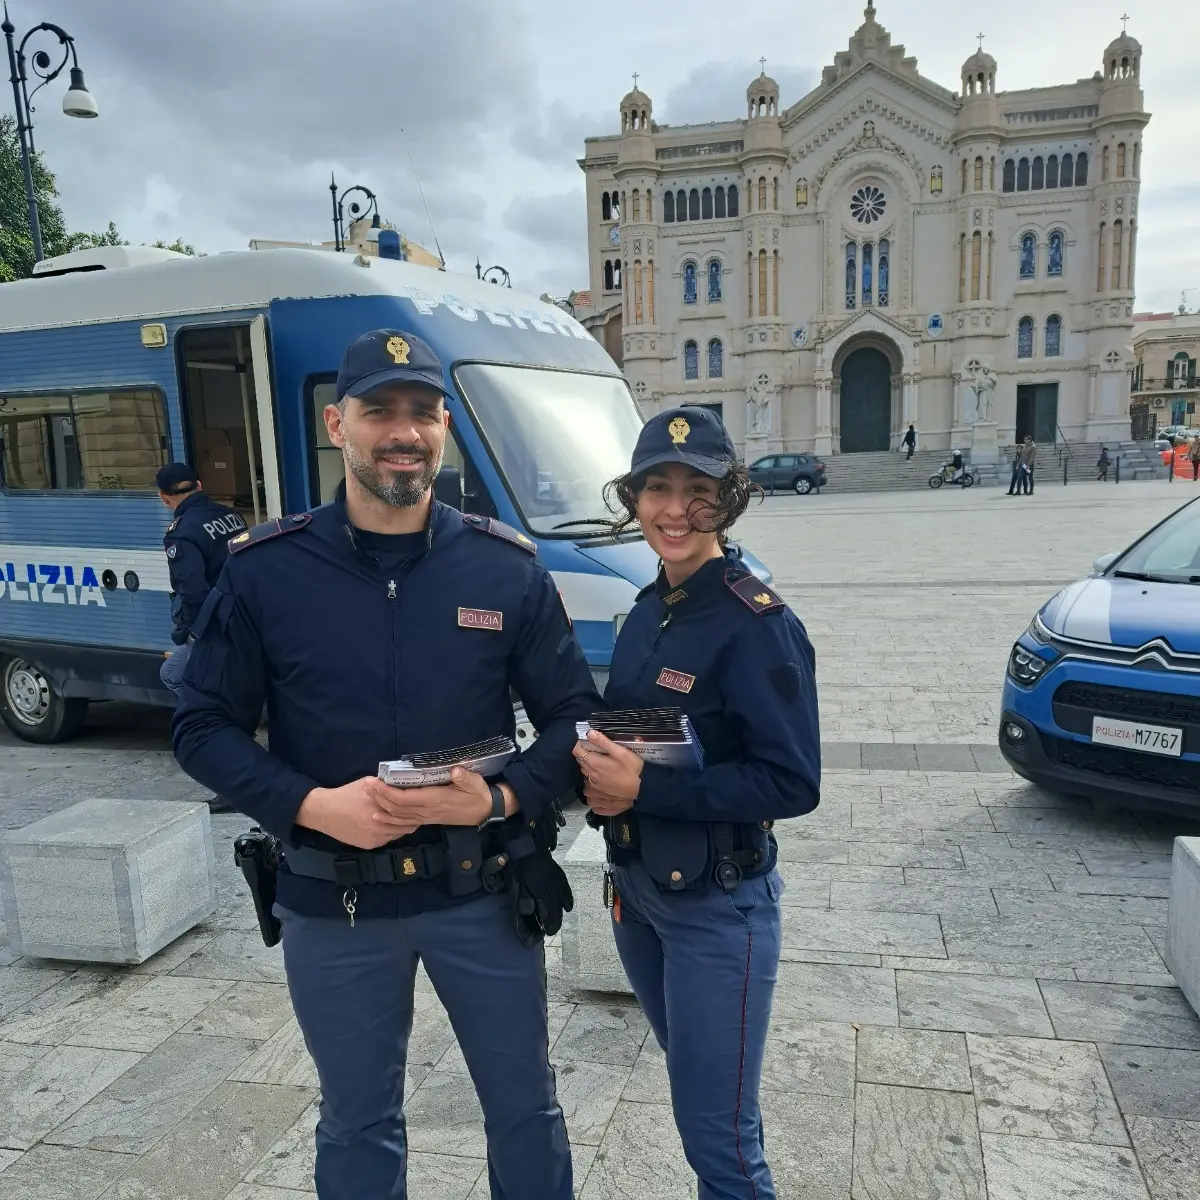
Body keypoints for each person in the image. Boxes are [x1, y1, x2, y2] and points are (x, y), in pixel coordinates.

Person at [173, 328, 599, 1200]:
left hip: (480, 892)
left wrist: (499, 796)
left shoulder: (504, 567)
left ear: (444, 426)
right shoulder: (266, 573)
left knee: (525, 1108)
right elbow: (201, 726)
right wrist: (310, 805)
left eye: (420, 411)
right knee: (358, 1121)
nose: (401, 431)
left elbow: (573, 721)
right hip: (337, 903)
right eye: (379, 410)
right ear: (338, 423)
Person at [573, 406, 820, 1200]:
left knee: (722, 1143)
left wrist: (645, 788)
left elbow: (791, 781)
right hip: (640, 894)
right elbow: (647, 733)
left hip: (719, 907)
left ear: (730, 497)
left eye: (698, 489)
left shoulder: (758, 624)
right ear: (633, 496)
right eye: (657, 487)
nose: (675, 509)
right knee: (697, 1096)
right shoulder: (649, 607)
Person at [156, 463, 246, 698]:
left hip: (216, 625)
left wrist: (191, 635)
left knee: (174, 677)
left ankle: (220, 725)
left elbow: (193, 591)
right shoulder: (231, 516)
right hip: (248, 614)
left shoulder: (181, 532)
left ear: (164, 498)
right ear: (199, 485)